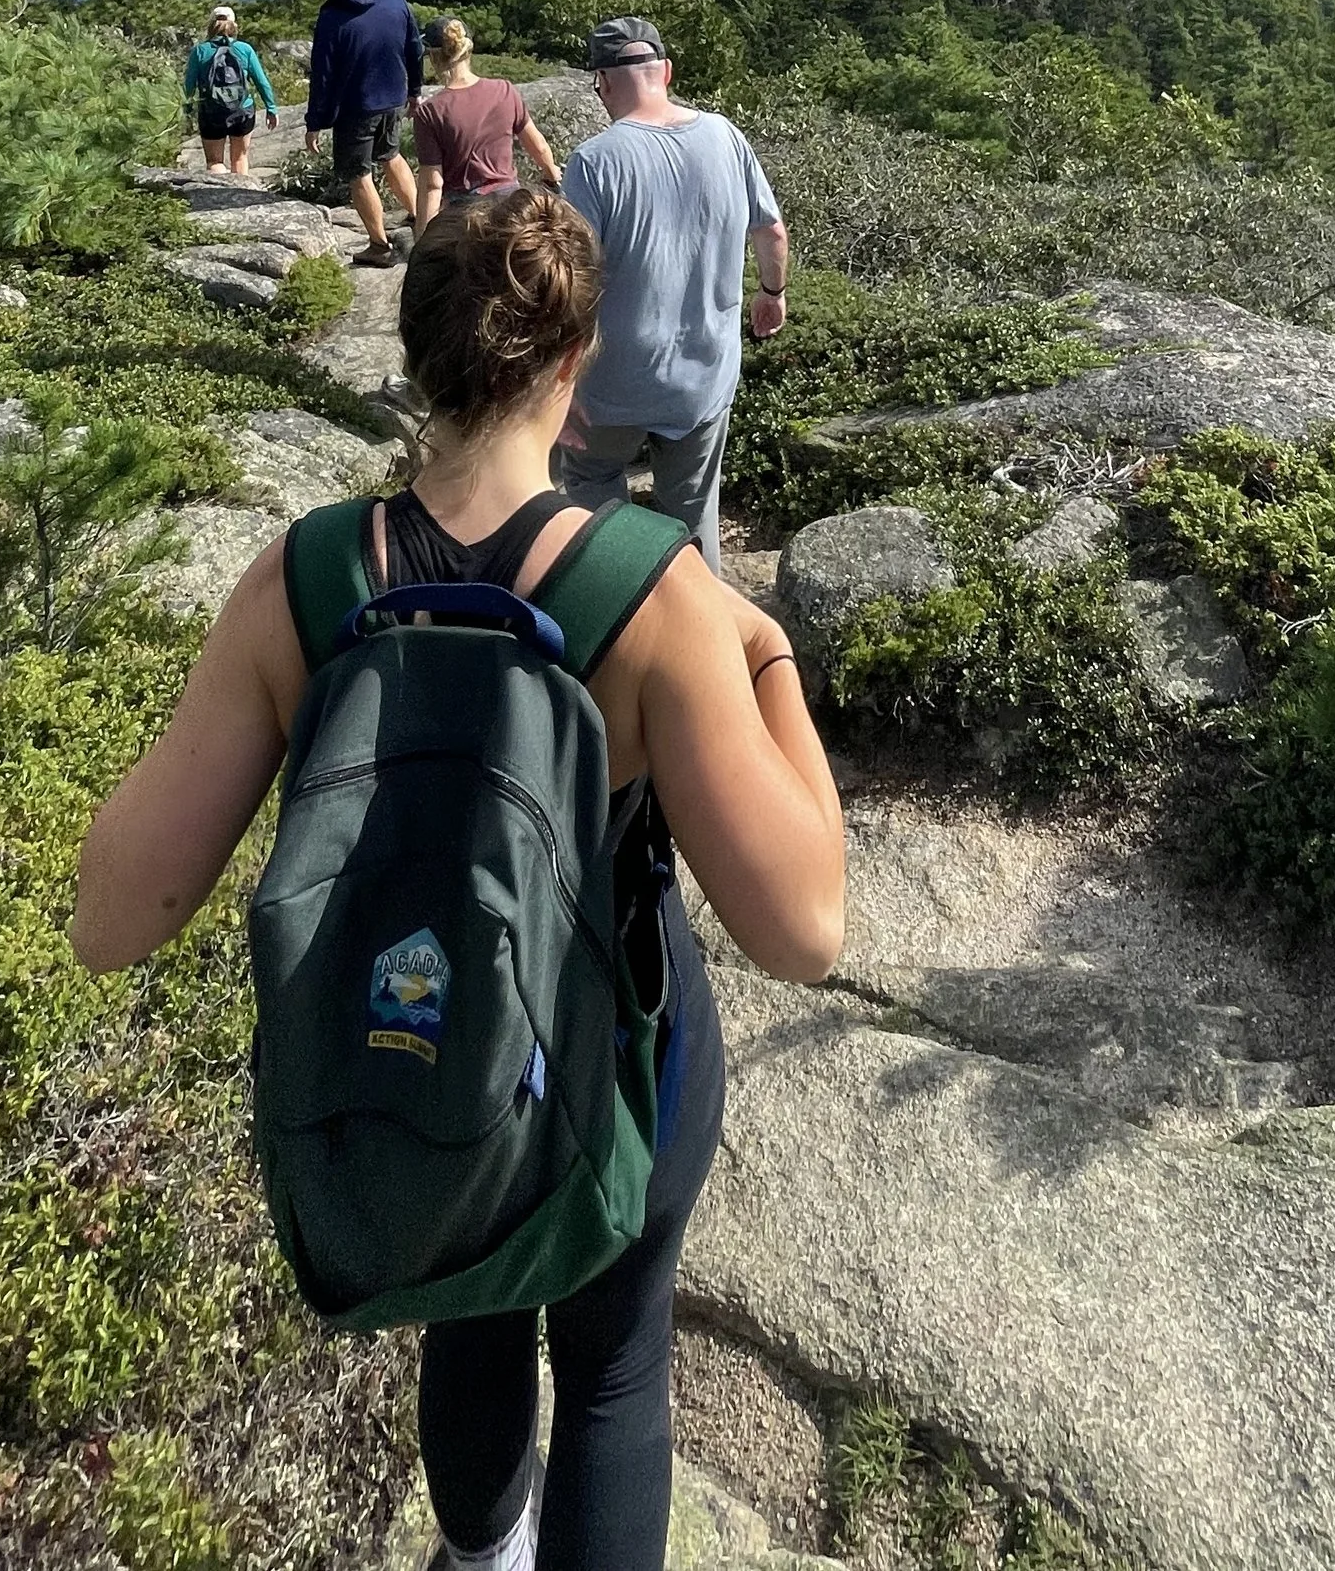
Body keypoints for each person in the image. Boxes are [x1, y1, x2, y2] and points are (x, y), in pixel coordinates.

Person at [70, 191, 844, 1571]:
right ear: (574, 359)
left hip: (404, 1046)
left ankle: (481, 1553)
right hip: (610, 1048)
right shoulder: (651, 592)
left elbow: (111, 917)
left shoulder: (303, 578)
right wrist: (766, 652)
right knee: (613, 1368)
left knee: (472, 1302)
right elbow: (803, 927)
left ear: (418, 356)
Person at [557, 15, 787, 574]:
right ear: (665, 71)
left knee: (592, 491)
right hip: (701, 381)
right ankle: (697, 622)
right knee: (690, 509)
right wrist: (771, 292)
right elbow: (772, 232)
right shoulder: (726, 136)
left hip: (611, 382)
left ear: (603, 83)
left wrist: (555, 383)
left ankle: (610, 612)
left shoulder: (593, 162)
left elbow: (568, 283)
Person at [306, 0, 426, 266]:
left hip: (355, 107)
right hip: (393, 99)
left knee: (359, 174)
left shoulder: (333, 14)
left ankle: (380, 245)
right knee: (392, 155)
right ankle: (421, 221)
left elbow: (323, 71)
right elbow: (414, 49)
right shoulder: (395, 2)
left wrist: (315, 121)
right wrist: (414, 90)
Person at [406, 14, 565, 227]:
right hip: (510, 207)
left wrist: (423, 235)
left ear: (433, 58)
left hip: (465, 214)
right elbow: (539, 146)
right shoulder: (505, 90)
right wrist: (552, 174)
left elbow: (432, 185)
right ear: (468, 51)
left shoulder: (430, 111)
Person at [181, 4, 279, 176]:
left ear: (211, 26)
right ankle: (240, 195)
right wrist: (271, 108)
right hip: (242, 110)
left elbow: (189, 86)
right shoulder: (245, 49)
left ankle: (216, 196)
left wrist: (187, 111)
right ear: (234, 26)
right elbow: (261, 81)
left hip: (211, 111)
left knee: (214, 161)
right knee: (240, 158)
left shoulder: (200, 51)